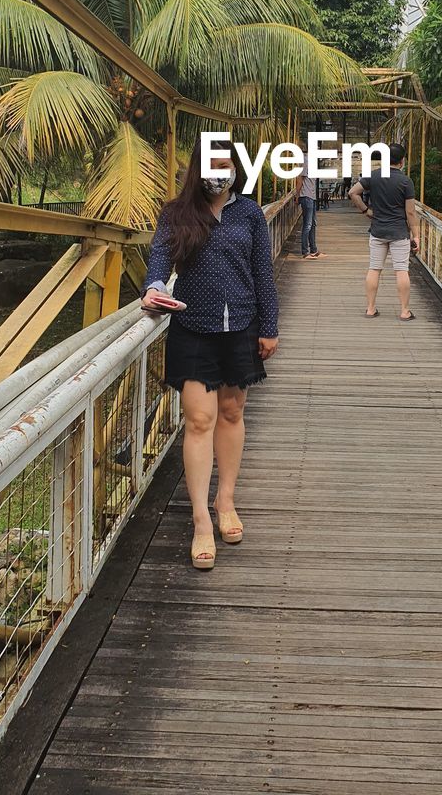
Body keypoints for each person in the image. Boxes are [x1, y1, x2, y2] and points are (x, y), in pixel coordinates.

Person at [141, 140, 279, 570]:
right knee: (200, 419)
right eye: (213, 164)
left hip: (241, 324)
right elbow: (160, 259)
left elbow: (263, 273)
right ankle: (201, 519)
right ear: (198, 168)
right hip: (193, 325)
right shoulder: (176, 213)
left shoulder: (250, 213)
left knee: (233, 412)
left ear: (237, 167)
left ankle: (226, 500)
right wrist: (155, 288)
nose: (220, 171)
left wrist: (270, 327)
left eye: (227, 163)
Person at [349, 142, 419, 321]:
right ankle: (404, 311)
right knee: (401, 270)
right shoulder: (405, 181)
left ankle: (370, 309)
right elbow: (410, 212)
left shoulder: (373, 176)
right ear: (402, 161)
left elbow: (353, 193)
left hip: (378, 230)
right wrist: (416, 235)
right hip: (399, 232)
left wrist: (366, 211)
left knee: (374, 269)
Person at [297, 146, 322, 258]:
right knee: (307, 225)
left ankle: (313, 249)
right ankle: (305, 251)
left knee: (313, 224)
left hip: (312, 197)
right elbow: (300, 179)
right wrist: (297, 195)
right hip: (306, 196)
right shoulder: (306, 161)